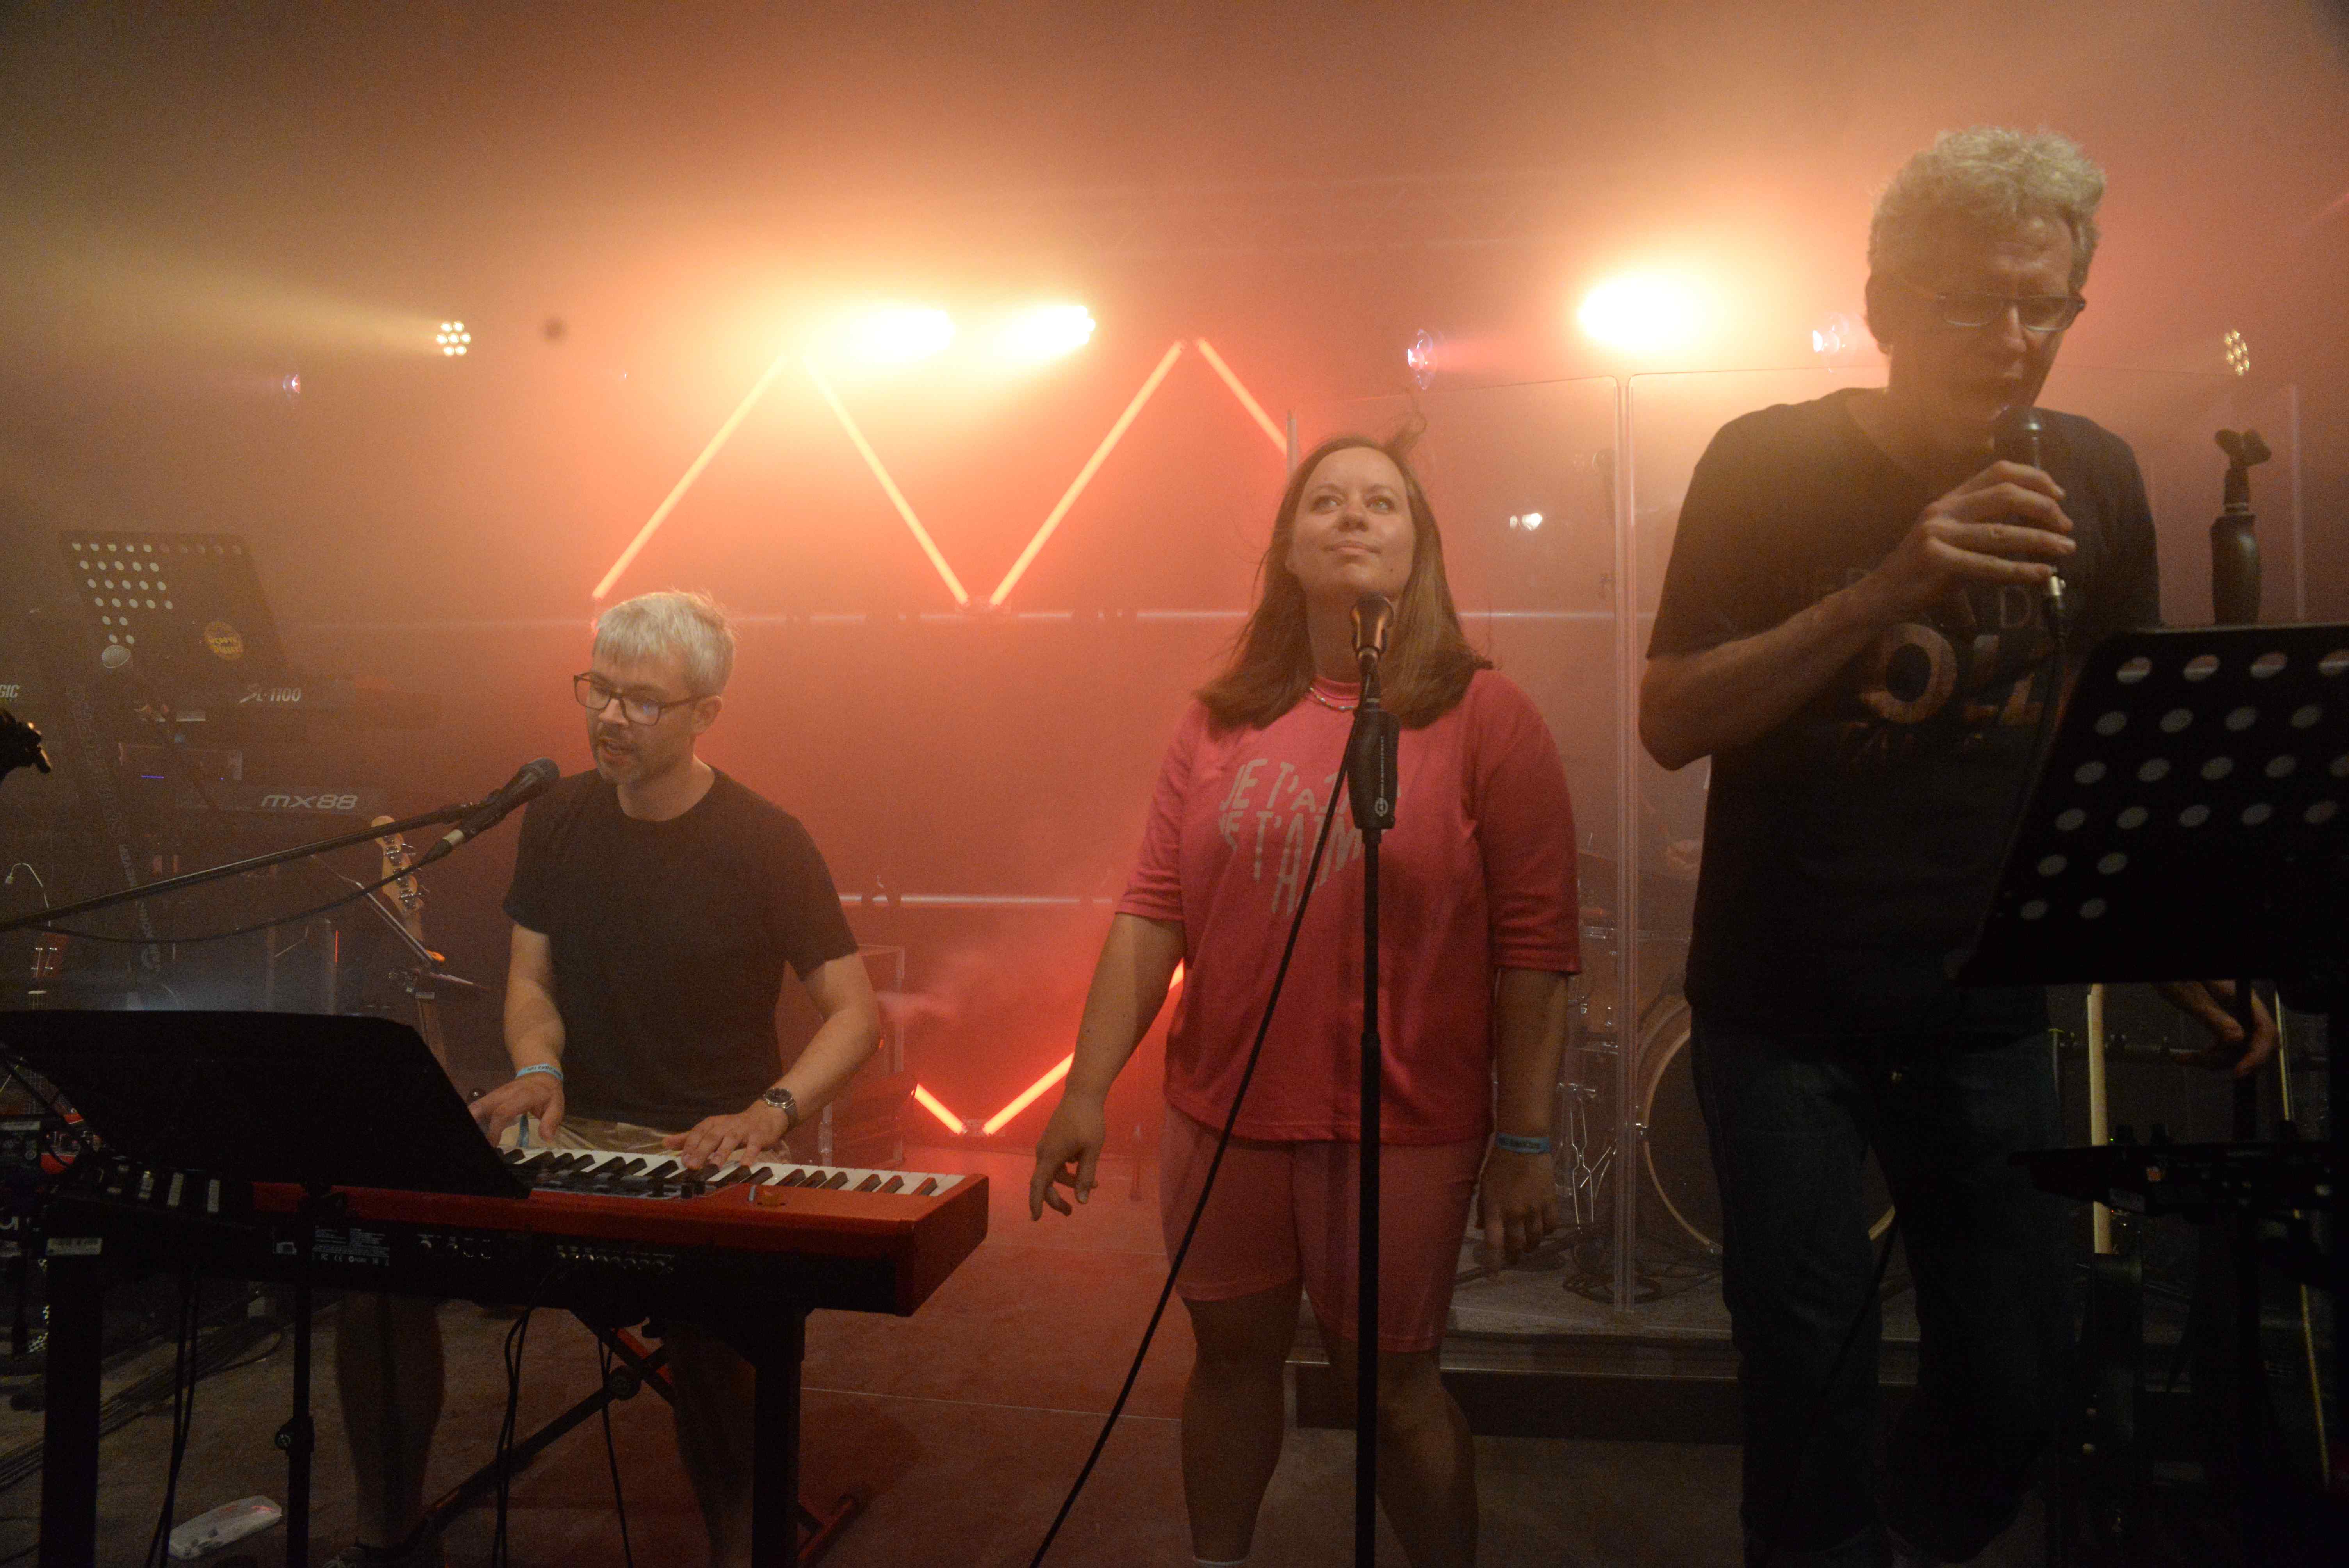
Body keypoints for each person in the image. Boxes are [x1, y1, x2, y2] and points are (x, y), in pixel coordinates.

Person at [1640, 127, 2275, 1568]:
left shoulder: (2094, 473)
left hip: (1983, 1001)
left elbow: (2112, 740)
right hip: (1783, 1001)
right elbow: (1670, 717)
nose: (2013, 341)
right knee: (1802, 1367)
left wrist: (2161, 931)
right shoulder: (1764, 459)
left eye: (2044, 306)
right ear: (1884, 307)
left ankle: (1912, 1534)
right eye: (1972, 304)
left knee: (2014, 1377)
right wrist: (1892, 582)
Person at [1029, 433, 1579, 1568]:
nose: (1352, 516)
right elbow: (1152, 912)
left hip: (1406, 1125)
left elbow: (1536, 950)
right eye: (1325, 500)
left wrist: (1526, 1139)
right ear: (1287, 548)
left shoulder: (1488, 717)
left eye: (1381, 501)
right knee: (1230, 1362)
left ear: (1419, 545)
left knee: (1394, 1387)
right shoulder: (1218, 720)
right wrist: (1085, 1091)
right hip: (1224, 1116)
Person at [327, 590, 880, 1568]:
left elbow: (855, 1015)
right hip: (567, 1136)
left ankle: (741, 1554)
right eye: (600, 690)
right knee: (377, 1267)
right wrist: (540, 1069)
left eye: (643, 701)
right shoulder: (557, 817)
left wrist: (769, 1112)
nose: (611, 717)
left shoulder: (766, 840)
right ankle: (388, 1540)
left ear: (706, 713)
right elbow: (531, 980)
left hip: (702, 1149)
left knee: (712, 1330)